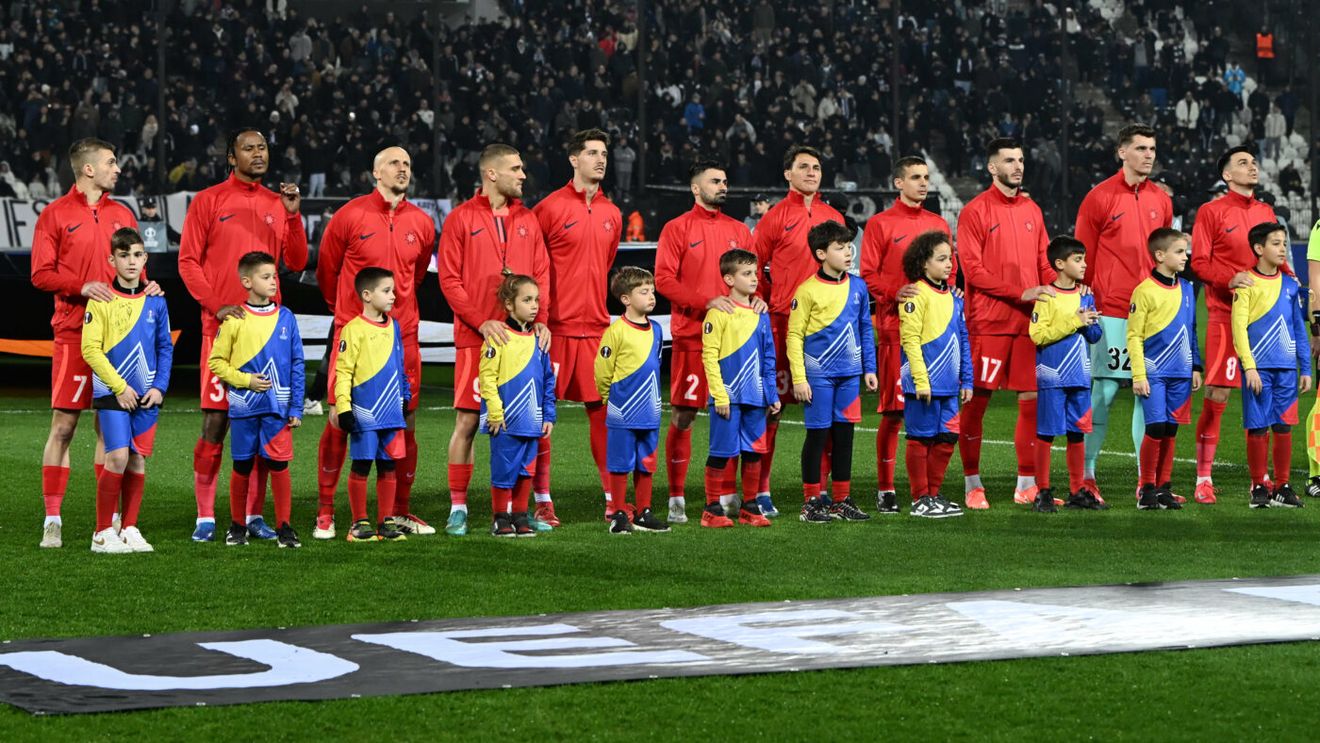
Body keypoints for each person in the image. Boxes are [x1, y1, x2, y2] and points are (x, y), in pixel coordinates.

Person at [179, 128, 307, 542]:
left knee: (267, 424)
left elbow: (297, 260)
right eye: (248, 148)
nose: (257, 154)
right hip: (223, 331)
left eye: (263, 147)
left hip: (269, 335)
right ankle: (205, 516)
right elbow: (188, 263)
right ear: (231, 158)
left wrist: (292, 213)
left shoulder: (276, 202)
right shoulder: (208, 200)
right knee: (216, 422)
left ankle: (253, 515)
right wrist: (216, 305)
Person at [313, 146, 435, 539]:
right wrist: (349, 316)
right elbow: (327, 272)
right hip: (357, 336)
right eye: (395, 163)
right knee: (339, 420)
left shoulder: (421, 221)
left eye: (408, 165)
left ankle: (397, 511)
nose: (403, 169)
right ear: (376, 172)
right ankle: (327, 511)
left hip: (403, 338)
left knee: (405, 422)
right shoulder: (350, 215)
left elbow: (414, 279)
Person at [31, 138, 145, 549]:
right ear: (88, 169)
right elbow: (41, 275)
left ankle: (109, 521)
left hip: (118, 337)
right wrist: (82, 286)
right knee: (63, 426)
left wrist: (148, 289)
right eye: (111, 162)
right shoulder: (55, 215)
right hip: (73, 333)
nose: (118, 168)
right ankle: (53, 519)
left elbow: (135, 267)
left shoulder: (121, 213)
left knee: (109, 427)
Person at [437, 143, 551, 537]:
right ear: (492, 174)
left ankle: (518, 510)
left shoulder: (529, 220)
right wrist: (480, 321)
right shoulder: (459, 219)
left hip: (522, 340)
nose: (522, 175)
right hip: (477, 337)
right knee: (469, 420)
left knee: (525, 423)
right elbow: (448, 280)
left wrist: (543, 321)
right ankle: (458, 507)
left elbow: (542, 274)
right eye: (516, 169)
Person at [654, 159, 758, 524]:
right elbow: (664, 280)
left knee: (733, 413)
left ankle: (727, 495)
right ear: (696, 188)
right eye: (716, 180)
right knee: (684, 414)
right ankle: (677, 497)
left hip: (737, 342)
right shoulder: (676, 228)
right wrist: (705, 301)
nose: (723, 185)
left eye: (726, 180)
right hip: (693, 336)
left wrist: (757, 299)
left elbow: (751, 277)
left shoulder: (739, 231)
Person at [1073, 124, 1173, 503]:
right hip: (1112, 309)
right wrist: (1087, 307)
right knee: (1106, 390)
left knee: (1146, 394)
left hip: (1153, 312)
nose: (1149, 154)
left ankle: (1145, 482)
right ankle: (1087, 475)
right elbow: (1083, 257)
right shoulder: (1099, 198)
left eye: (1152, 148)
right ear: (1122, 152)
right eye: (1141, 148)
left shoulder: (1161, 200)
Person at [957, 137, 1056, 510]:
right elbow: (974, 271)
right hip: (989, 322)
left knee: (1031, 400)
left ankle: (1026, 483)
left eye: (1020, 159)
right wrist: (1022, 292)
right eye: (1009, 161)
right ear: (992, 168)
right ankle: (972, 483)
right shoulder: (975, 211)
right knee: (976, 403)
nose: (1017, 166)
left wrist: (1061, 287)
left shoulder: (1032, 209)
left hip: (1029, 323)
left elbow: (1045, 262)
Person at [531, 129, 622, 524]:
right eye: (591, 153)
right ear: (574, 160)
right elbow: (533, 268)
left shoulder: (612, 214)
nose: (600, 160)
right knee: (539, 418)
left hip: (597, 330)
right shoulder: (549, 209)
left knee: (604, 414)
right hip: (553, 330)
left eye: (603, 153)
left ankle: (612, 498)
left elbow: (606, 265)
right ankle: (541, 499)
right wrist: (539, 319)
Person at [751, 145, 845, 518]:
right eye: (803, 167)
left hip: (826, 330)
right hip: (782, 323)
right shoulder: (775, 217)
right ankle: (760, 490)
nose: (811, 172)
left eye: (817, 167)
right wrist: (760, 297)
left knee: (824, 412)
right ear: (787, 174)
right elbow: (753, 263)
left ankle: (818, 491)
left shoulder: (832, 215)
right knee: (771, 411)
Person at [860, 155, 952, 513]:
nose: (923, 183)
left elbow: (951, 270)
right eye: (915, 177)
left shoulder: (938, 223)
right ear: (898, 182)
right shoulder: (881, 224)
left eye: (926, 176)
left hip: (937, 337)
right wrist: (892, 292)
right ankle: (885, 489)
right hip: (895, 330)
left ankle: (928, 492)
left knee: (936, 410)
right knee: (895, 413)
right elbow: (868, 272)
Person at [1189, 146, 1278, 504]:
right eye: (1243, 163)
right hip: (1225, 317)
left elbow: (1275, 257)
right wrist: (1231, 278)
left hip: (1263, 321)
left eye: (1254, 162)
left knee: (1263, 395)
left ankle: (1261, 478)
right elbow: (1199, 262)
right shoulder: (1211, 212)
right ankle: (1203, 477)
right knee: (1218, 395)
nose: (1252, 166)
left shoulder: (1265, 210)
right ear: (1226, 175)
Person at [80, 227, 172, 553]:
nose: (131, 262)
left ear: (145, 258)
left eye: (136, 255)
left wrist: (160, 387)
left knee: (137, 461)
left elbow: (165, 347)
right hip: (112, 391)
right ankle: (102, 531)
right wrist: (119, 388)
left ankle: (129, 527)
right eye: (123, 255)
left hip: (147, 395)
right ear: (112, 260)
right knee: (117, 456)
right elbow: (90, 350)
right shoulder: (101, 299)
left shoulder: (156, 301)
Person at [206, 251, 305, 547]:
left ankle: (285, 528)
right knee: (242, 466)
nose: (273, 281)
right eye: (266, 277)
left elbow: (297, 363)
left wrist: (296, 406)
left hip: (278, 408)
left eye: (274, 276)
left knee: (279, 466)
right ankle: (237, 526)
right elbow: (217, 362)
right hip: (244, 408)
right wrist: (245, 380)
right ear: (247, 282)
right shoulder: (235, 318)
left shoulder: (286, 316)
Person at [787, 220, 877, 523]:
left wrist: (869, 368)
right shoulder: (807, 291)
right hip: (819, 377)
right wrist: (799, 378)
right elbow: (794, 335)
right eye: (840, 248)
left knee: (845, 437)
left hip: (849, 376)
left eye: (849, 246)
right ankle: (811, 502)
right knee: (817, 436)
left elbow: (865, 327)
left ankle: (841, 500)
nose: (849, 252)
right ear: (821, 253)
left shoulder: (859, 286)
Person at [699, 249, 780, 529]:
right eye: (746, 274)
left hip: (755, 396)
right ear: (729, 279)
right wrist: (719, 394)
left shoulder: (761, 313)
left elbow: (769, 357)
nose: (754, 279)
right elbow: (709, 356)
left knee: (754, 451)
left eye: (755, 273)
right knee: (721, 452)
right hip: (728, 398)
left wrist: (772, 394)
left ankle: (749, 506)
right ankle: (711, 509)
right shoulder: (718, 313)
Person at [1233, 222, 1312, 509]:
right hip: (1259, 368)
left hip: (1286, 369)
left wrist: (1305, 368)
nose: (1282, 249)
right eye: (1276, 243)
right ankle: (1258, 485)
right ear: (1258, 248)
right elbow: (1238, 328)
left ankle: (1282, 485)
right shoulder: (1246, 284)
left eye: (1284, 243)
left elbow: (1298, 330)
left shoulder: (1291, 285)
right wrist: (1249, 367)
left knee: (1283, 426)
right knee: (1257, 427)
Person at [331, 267, 412, 542]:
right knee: (363, 465)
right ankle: (358, 522)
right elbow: (343, 372)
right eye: (387, 291)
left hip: (391, 412)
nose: (394, 296)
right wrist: (343, 407)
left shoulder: (394, 326)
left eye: (393, 290)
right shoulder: (353, 330)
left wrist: (405, 397)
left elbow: (400, 367)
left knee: (388, 466)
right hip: (365, 413)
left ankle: (385, 521)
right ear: (367, 295)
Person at [1027, 236, 1105, 512]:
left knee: (1076, 434)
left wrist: (1090, 322)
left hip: (1080, 376)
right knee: (1047, 434)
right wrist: (1075, 321)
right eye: (1078, 259)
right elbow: (1037, 335)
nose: (1084, 264)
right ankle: (1043, 492)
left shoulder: (1086, 295)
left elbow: (1095, 336)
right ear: (1060, 264)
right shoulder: (1047, 296)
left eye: (1084, 258)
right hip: (1052, 375)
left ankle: (1077, 491)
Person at [899, 230, 971, 518]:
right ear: (923, 264)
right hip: (923, 383)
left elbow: (964, 339)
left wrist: (967, 379)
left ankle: (933, 494)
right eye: (941, 259)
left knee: (946, 438)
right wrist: (920, 380)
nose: (949, 263)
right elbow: (910, 340)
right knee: (921, 438)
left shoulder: (954, 297)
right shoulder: (915, 294)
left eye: (950, 258)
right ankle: (920, 499)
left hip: (949, 384)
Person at [1129, 229, 1202, 510]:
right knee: (1156, 426)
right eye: (1180, 251)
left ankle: (1163, 487)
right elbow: (1134, 336)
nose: (1186, 256)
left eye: (1186, 251)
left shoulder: (1186, 288)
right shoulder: (1144, 290)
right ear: (1160, 256)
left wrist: (1196, 365)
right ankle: (1146, 488)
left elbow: (1192, 329)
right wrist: (1138, 374)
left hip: (1181, 372)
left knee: (1171, 429)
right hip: (1154, 372)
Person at [479, 275, 556, 538]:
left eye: (536, 300)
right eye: (527, 300)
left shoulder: (539, 338)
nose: (534, 305)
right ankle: (500, 517)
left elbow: (548, 380)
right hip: (505, 420)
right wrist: (495, 413)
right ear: (509, 305)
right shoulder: (498, 337)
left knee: (526, 469)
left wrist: (549, 415)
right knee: (503, 468)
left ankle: (521, 515)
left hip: (532, 419)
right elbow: (487, 378)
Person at [595, 267, 669, 534]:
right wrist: (609, 398)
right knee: (619, 463)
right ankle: (617, 513)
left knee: (646, 462)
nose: (651, 296)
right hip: (622, 410)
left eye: (652, 291)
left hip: (650, 410)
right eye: (643, 291)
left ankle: (644, 511)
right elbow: (603, 369)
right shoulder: (616, 332)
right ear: (625, 299)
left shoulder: (657, 329)